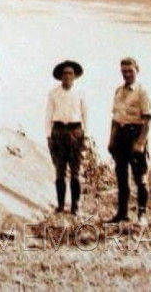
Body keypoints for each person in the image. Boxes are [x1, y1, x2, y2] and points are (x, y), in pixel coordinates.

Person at [106, 57, 151, 225]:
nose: (126, 74)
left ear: (137, 70)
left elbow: (147, 120)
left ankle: (142, 215)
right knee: (121, 175)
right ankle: (122, 213)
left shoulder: (142, 92)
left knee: (140, 177)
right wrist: (111, 139)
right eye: (123, 71)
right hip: (120, 134)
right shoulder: (118, 91)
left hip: (136, 133)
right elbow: (115, 117)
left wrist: (140, 143)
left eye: (130, 71)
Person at [45, 60, 87, 215]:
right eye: (64, 74)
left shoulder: (80, 93)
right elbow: (48, 115)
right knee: (60, 171)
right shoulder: (53, 93)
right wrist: (49, 136)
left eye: (70, 73)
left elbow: (85, 115)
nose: (67, 76)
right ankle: (61, 205)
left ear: (74, 76)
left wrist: (85, 135)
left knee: (75, 171)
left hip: (75, 131)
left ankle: (76, 206)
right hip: (59, 132)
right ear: (60, 76)